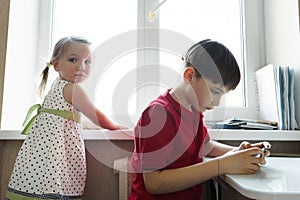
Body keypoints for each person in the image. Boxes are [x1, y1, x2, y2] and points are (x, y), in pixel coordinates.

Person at [129, 39, 271, 200]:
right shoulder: (158, 114)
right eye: (215, 91)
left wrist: (238, 153)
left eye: (222, 95)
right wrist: (223, 164)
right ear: (189, 76)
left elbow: (205, 146)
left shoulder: (193, 110)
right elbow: (154, 183)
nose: (217, 102)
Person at [5, 36, 125, 200]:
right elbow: (97, 115)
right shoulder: (73, 89)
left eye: (87, 62)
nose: (81, 66)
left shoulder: (57, 86)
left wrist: (89, 126)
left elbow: (68, 118)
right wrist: (116, 127)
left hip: (38, 158)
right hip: (55, 159)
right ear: (56, 64)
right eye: (73, 59)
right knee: (53, 191)